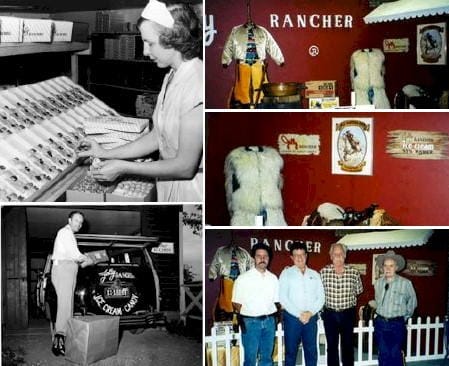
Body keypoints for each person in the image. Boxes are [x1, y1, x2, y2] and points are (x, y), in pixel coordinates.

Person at [78, 0, 203, 202]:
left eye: (150, 43)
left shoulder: (197, 85)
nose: (145, 52)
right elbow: (157, 136)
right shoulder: (172, 75)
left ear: (173, 38)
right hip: (169, 182)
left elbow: (185, 167)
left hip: (193, 190)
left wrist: (125, 167)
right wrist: (107, 153)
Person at [232, 243, 280, 366]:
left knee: (267, 359)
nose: (262, 259)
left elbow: (276, 301)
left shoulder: (273, 278)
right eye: (259, 256)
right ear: (253, 258)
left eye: (265, 256)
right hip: (250, 323)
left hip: (269, 322)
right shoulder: (242, 279)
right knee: (250, 359)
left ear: (269, 259)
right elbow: (236, 303)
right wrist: (251, 313)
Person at [51, 211, 90, 356]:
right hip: (64, 269)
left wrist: (82, 259)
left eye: (81, 222)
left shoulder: (69, 234)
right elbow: (75, 254)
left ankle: (64, 340)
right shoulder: (65, 232)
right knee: (65, 306)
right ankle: (58, 343)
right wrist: (88, 258)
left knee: (68, 306)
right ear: (69, 220)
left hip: (68, 269)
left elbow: (73, 255)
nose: (79, 224)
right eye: (76, 221)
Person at [279, 241, 325, 366]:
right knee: (291, 353)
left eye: (302, 255)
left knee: (311, 351)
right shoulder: (286, 274)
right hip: (292, 319)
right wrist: (299, 314)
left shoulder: (315, 274)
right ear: (291, 257)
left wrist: (310, 313)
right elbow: (283, 297)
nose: (299, 258)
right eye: (296, 255)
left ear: (306, 255)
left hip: (311, 318)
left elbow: (321, 297)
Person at [320, 243, 363, 366]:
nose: (338, 257)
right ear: (331, 256)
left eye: (340, 254)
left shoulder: (354, 273)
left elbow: (358, 290)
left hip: (347, 314)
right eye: (335, 254)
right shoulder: (323, 272)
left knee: (348, 346)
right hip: (330, 314)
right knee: (331, 346)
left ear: (345, 255)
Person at [374, 250, 417, 366]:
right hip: (381, 324)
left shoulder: (406, 283)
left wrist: (404, 317)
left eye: (391, 265)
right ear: (382, 267)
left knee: (395, 355)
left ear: (396, 267)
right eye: (385, 265)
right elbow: (378, 302)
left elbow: (412, 302)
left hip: (397, 325)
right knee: (383, 354)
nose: (388, 268)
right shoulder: (378, 283)